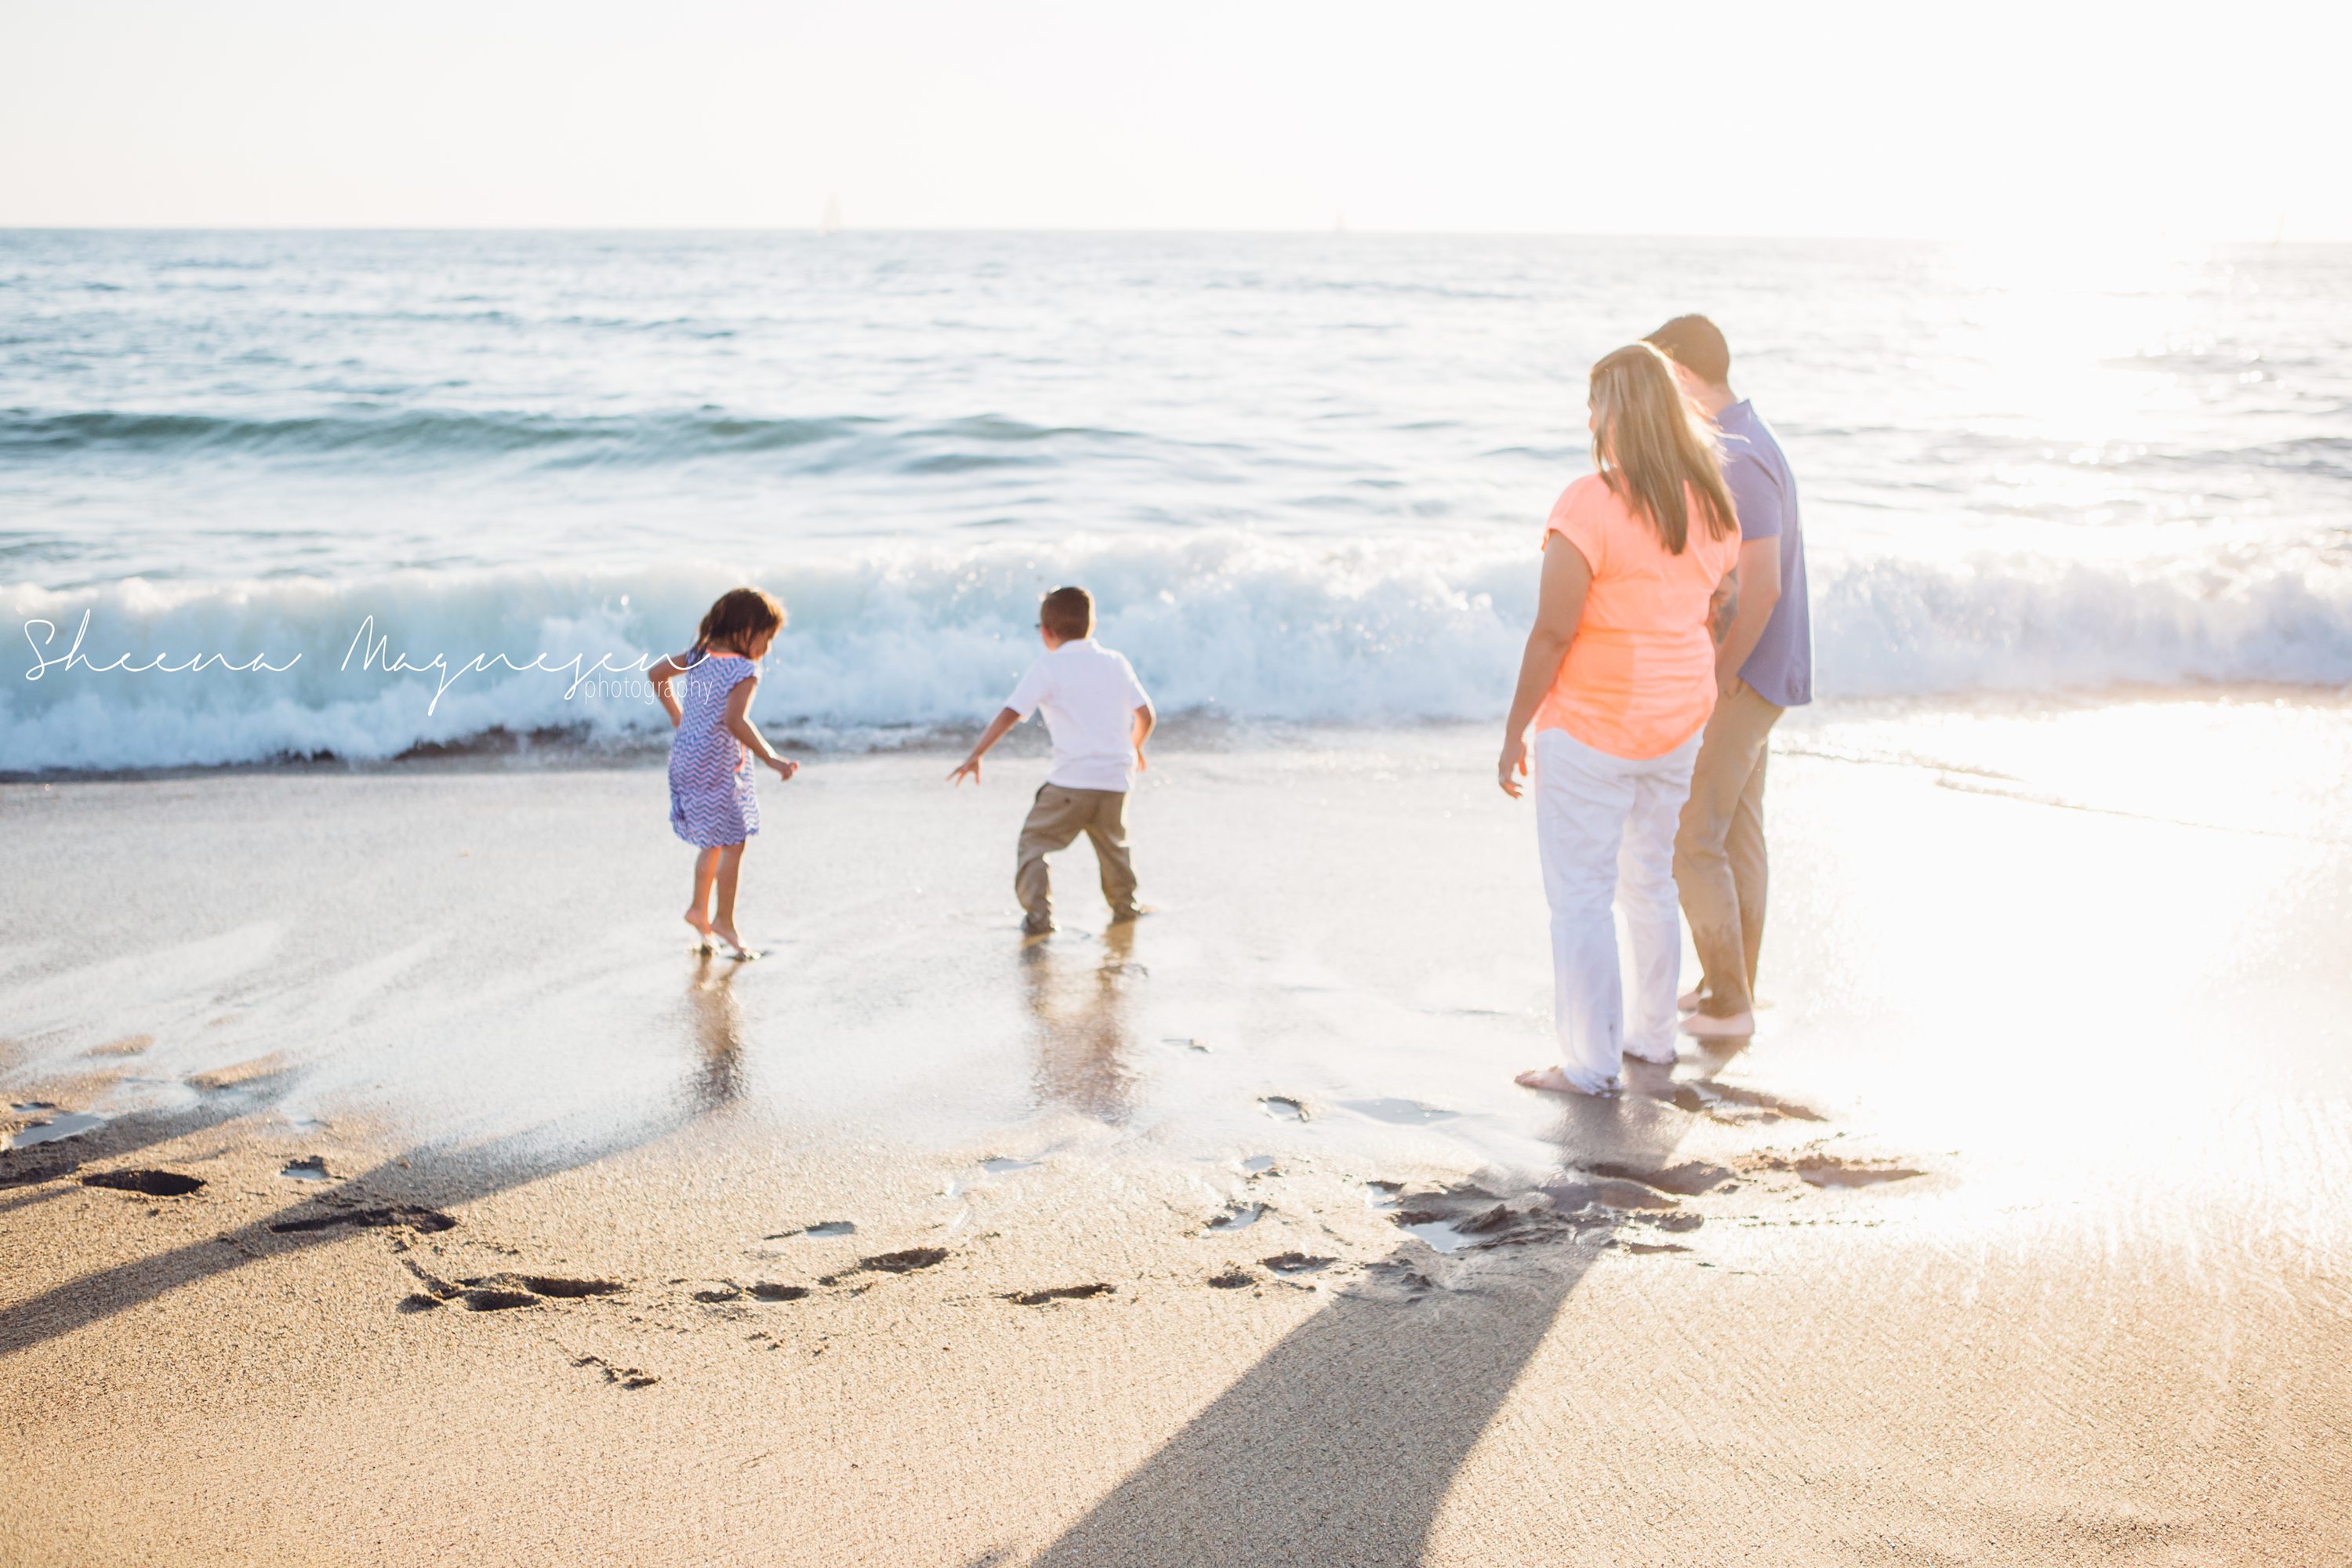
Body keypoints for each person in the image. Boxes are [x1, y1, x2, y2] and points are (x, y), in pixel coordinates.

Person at [1498, 343, 1742, 1096]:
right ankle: (1653, 1042)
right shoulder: (1712, 502)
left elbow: (1553, 633)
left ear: (1615, 412)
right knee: (1649, 884)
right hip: (1677, 722)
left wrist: (1514, 730)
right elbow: (1719, 602)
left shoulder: (1588, 503)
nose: (1588, 417)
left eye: (1594, 402)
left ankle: (1591, 1065)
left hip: (1593, 729)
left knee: (1580, 896)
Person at [1645, 315, 1812, 1040]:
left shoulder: (1737, 454)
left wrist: (1717, 670)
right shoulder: (1751, 435)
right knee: (1738, 829)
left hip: (1745, 672)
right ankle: (1729, 983)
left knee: (1691, 835)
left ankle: (1728, 1006)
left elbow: (1763, 584)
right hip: (1764, 668)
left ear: (1680, 373)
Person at [950, 586, 1156, 938]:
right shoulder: (1115, 662)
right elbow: (1146, 714)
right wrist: (1133, 747)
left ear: (1047, 631)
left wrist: (977, 754)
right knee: (1114, 847)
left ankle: (1039, 917)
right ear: (1091, 625)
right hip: (1115, 781)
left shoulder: (1049, 667)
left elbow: (1011, 713)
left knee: (1034, 843)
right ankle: (1125, 906)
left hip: (1071, 784)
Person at [649, 587, 800, 960]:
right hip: (717, 762)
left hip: (685, 757)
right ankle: (724, 920)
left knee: (714, 839)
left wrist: (676, 715)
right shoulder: (744, 670)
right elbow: (735, 721)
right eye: (768, 637)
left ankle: (699, 912)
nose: (767, 647)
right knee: (734, 840)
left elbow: (655, 674)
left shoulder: (699, 657)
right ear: (747, 630)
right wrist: (772, 758)